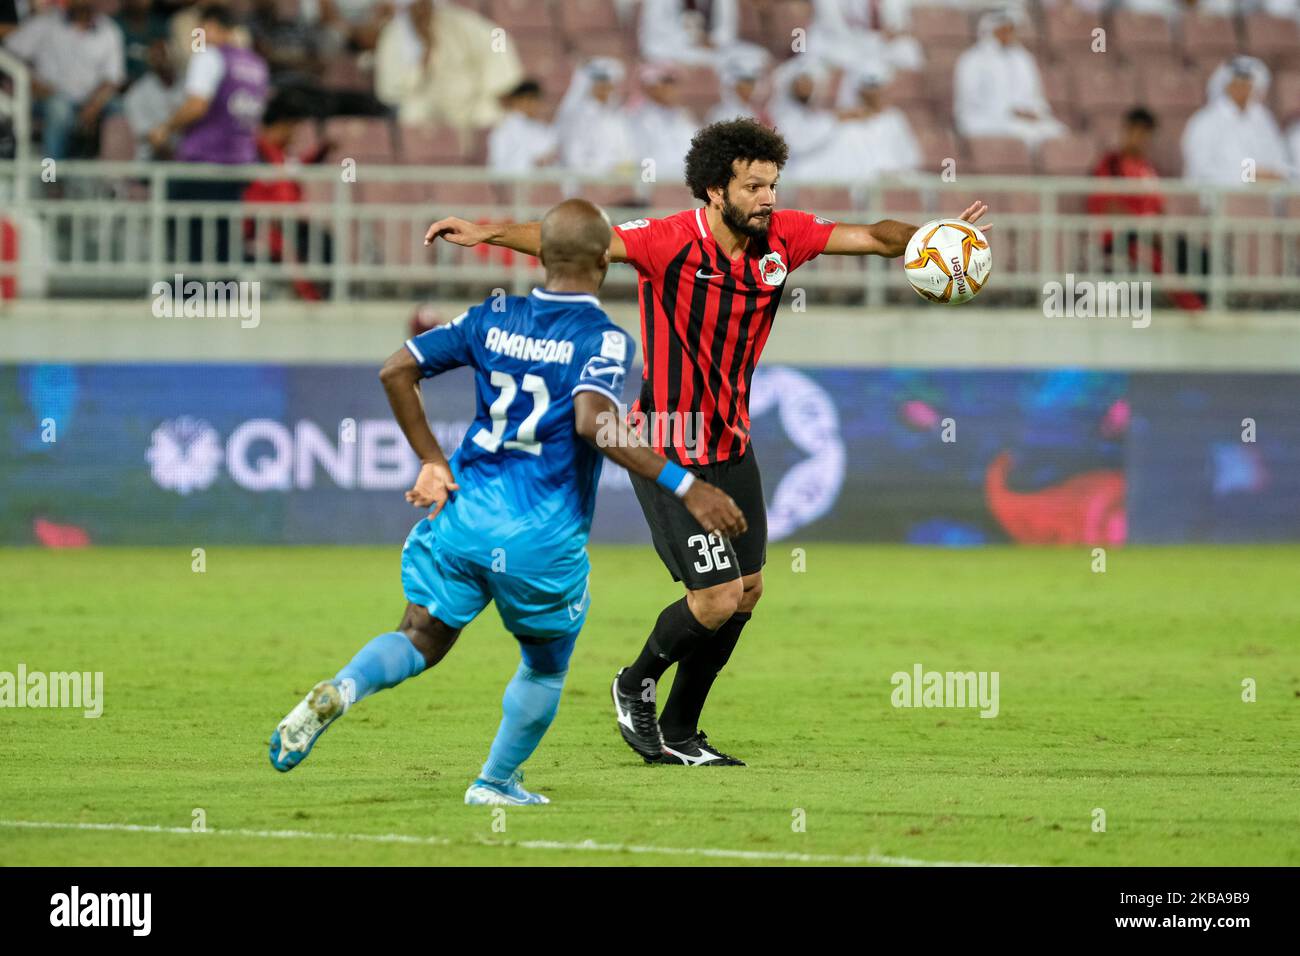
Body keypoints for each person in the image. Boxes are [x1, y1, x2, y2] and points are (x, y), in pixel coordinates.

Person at [425, 119, 989, 766]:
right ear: (713, 192)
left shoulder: (786, 238)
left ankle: (683, 730)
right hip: (668, 442)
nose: (768, 197)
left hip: (731, 443)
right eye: (753, 186)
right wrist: (486, 231)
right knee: (715, 597)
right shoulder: (666, 242)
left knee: (747, 592)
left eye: (773, 184)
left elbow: (876, 237)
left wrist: (932, 240)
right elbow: (574, 241)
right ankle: (633, 680)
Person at [269, 199, 746, 805]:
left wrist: (432, 462)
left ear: (542, 256)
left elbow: (395, 371)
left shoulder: (492, 317)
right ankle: (493, 782)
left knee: (420, 632)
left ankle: (342, 688)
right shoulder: (603, 339)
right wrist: (687, 484)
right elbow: (594, 422)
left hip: (463, 514)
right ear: (606, 261)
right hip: (539, 534)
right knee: (545, 665)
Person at [152, 4, 268, 264]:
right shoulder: (256, 65)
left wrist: (165, 128)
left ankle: (185, 296)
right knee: (225, 235)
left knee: (186, 234)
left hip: (203, 161)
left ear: (213, 27)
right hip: (239, 162)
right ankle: (225, 297)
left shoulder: (210, 57)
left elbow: (197, 105)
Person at [1088, 106, 1206, 310]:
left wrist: (1159, 230)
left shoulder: (1147, 169)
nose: (1140, 139)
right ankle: (1194, 310)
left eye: (1146, 135)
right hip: (1121, 237)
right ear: (1126, 131)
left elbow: (1159, 207)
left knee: (1198, 256)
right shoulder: (1110, 164)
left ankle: (1211, 302)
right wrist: (1146, 228)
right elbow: (1112, 207)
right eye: (1136, 132)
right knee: (1157, 262)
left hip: (1151, 234)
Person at [3, 0, 125, 160]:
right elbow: (9, 53)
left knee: (119, 108)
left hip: (91, 99)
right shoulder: (46, 23)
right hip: (47, 98)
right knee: (59, 109)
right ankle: (51, 177)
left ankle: (115, 180)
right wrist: (31, 82)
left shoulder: (109, 30)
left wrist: (94, 105)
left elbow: (112, 79)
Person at [374, 0, 523, 130]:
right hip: (426, 105)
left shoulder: (460, 22)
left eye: (426, 4)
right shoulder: (393, 36)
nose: (422, 11)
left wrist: (496, 87)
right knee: (412, 112)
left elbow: (497, 37)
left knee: (489, 113)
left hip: (469, 104)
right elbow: (390, 90)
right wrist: (425, 54)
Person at [953, 8, 1066, 151]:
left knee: (1058, 132)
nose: (1009, 35)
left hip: (1022, 120)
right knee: (1023, 134)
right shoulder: (972, 60)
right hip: (984, 119)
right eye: (1004, 31)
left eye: (1011, 30)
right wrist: (1010, 111)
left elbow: (1035, 96)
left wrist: (1034, 111)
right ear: (991, 31)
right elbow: (970, 102)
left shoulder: (1023, 59)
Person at [1181, 56, 1290, 185]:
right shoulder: (1204, 122)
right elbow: (1200, 170)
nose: (1246, 88)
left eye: (1249, 83)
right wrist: (1249, 175)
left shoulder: (1263, 119)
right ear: (1227, 85)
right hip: (1220, 200)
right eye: (1240, 83)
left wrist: (1277, 174)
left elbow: (1280, 160)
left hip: (1264, 199)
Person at [554, 57, 636, 176]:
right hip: (586, 183)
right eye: (603, 85)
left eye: (611, 85)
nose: (607, 90)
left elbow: (626, 152)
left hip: (616, 183)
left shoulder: (616, 117)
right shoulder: (577, 116)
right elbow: (573, 160)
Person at [627, 63, 700, 184]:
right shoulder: (637, 118)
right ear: (650, 88)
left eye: (673, 83)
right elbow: (643, 162)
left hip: (685, 187)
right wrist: (652, 191)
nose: (672, 89)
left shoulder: (683, 117)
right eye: (667, 83)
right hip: (656, 187)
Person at [123, 38, 185, 159]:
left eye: (168, 55)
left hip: (186, 153)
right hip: (152, 158)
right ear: (151, 61)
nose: (165, 61)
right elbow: (151, 136)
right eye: (159, 56)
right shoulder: (137, 92)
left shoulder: (189, 84)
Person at [487, 79, 558, 175]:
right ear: (523, 100)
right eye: (534, 100)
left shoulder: (537, 127)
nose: (538, 106)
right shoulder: (506, 128)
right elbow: (499, 166)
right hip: (515, 183)